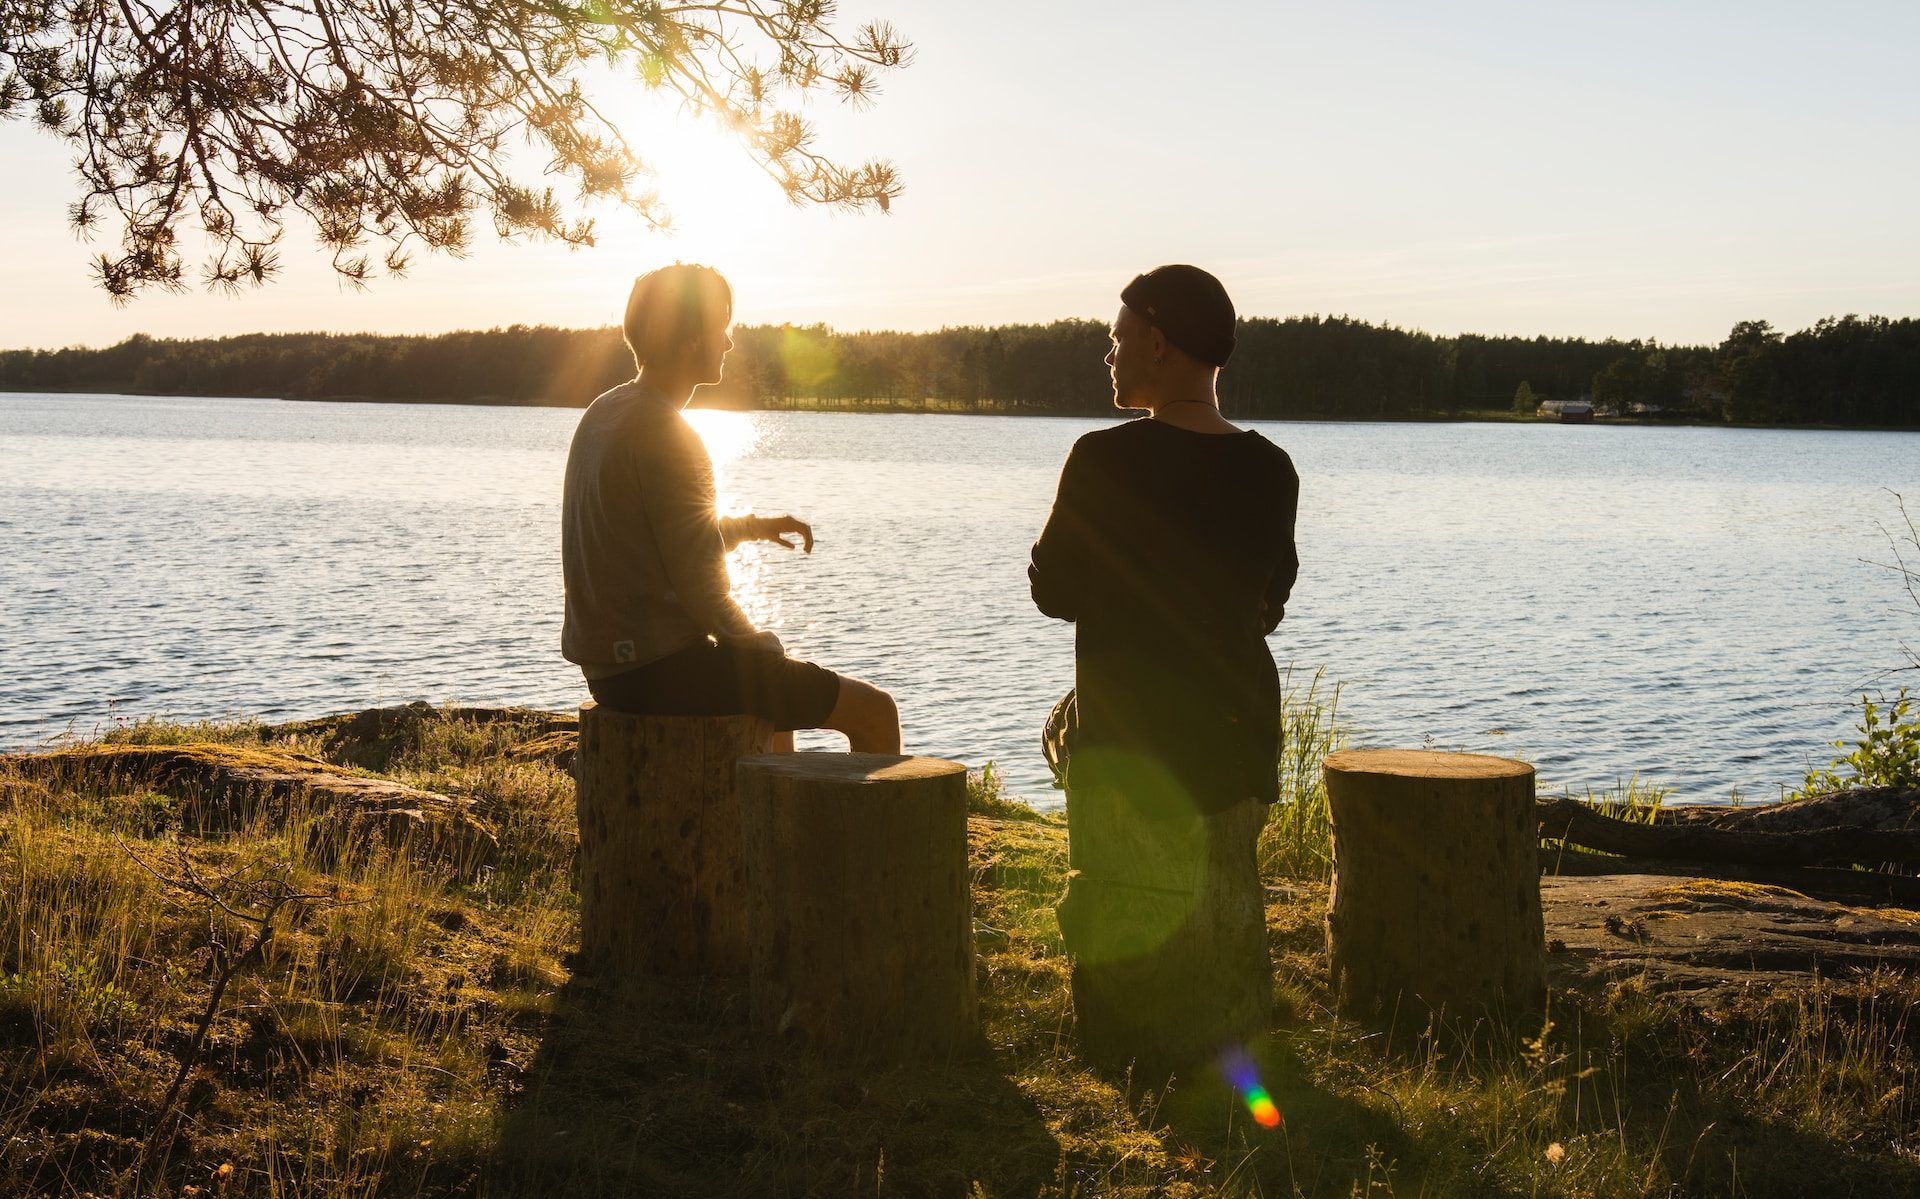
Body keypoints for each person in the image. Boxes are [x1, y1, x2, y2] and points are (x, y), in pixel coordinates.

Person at [1028, 263, 1299, 1072]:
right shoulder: (1271, 467)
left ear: (1156, 340)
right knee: (1225, 899)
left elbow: (1054, 589)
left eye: (1116, 339)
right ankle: (1232, 1037)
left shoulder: (1104, 460)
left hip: (1130, 741)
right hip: (1234, 738)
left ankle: (1132, 1053)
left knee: (1068, 735)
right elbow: (1269, 598)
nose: (1107, 356)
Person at [562, 263, 900, 753]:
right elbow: (703, 588)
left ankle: (777, 825)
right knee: (874, 710)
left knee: (772, 702)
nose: (729, 342)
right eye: (722, 328)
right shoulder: (669, 433)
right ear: (692, 340)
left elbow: (661, 539)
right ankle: (871, 832)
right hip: (661, 671)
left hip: (609, 670)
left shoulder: (607, 410)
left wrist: (752, 528)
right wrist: (764, 646)